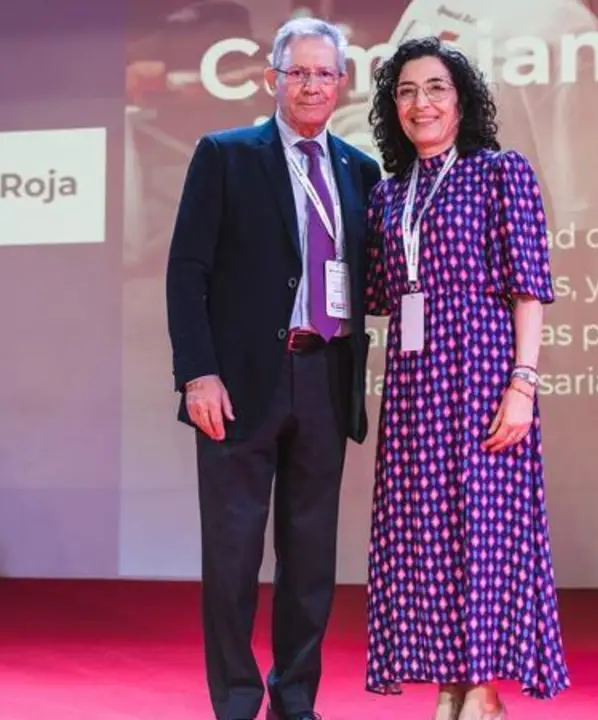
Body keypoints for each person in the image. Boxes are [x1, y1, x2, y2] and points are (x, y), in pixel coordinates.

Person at [164, 16, 382, 720]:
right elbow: (185, 273)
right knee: (232, 557)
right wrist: (198, 372)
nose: (312, 85)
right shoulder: (226, 155)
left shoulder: (360, 169)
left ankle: (296, 700)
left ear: (342, 83)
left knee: (311, 560)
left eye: (325, 73)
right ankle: (233, 699)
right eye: (299, 72)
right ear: (272, 79)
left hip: (325, 376)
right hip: (237, 385)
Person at [362, 36, 571, 720]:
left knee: (485, 530)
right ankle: (448, 679)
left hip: (484, 374)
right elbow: (374, 293)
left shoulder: (498, 172)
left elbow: (529, 291)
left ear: (462, 101)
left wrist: (522, 383)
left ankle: (482, 688)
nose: (421, 103)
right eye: (406, 91)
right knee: (425, 532)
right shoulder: (390, 193)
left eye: (435, 89)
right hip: (414, 385)